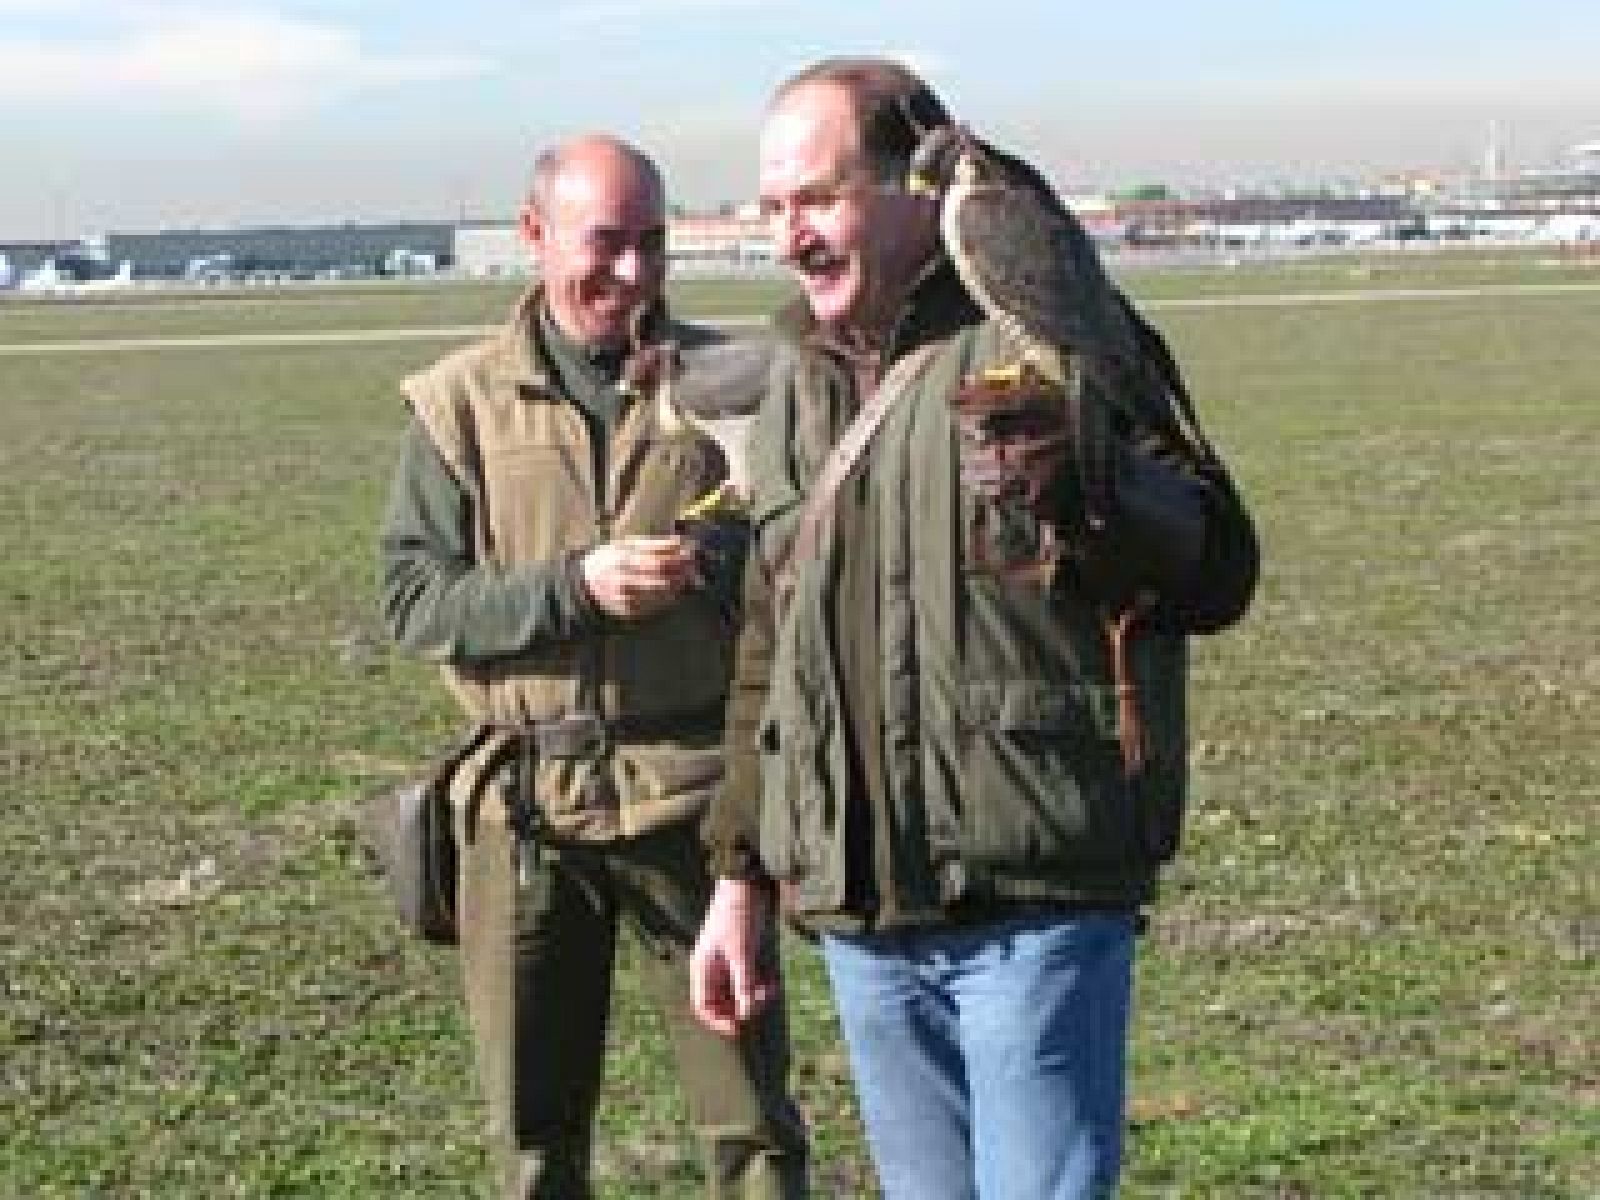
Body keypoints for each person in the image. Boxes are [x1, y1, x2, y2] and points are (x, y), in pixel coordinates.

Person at [690, 58, 1259, 1199]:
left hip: (1031, 899)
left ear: (911, 185)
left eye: (816, 199)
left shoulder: (1042, 315)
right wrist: (739, 877)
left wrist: (1096, 490)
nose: (788, 237)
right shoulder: (796, 382)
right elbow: (771, 647)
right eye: (771, 209)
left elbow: (1218, 569)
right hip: (863, 914)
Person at [378, 133, 807, 1200]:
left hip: (699, 810)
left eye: (652, 244)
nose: (632, 273)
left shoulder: (736, 382)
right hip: (524, 815)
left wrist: (718, 564)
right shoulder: (456, 404)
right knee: (533, 1140)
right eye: (604, 242)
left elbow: (800, 573)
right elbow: (416, 603)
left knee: (753, 1129)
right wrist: (577, 587)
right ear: (534, 235)